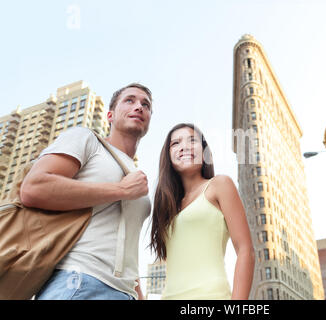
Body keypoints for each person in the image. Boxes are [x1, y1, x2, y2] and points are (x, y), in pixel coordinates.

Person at [20, 83, 153, 300]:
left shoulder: (137, 175)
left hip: (125, 293)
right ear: (110, 115)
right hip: (79, 281)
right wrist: (120, 190)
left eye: (145, 104)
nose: (139, 106)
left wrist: (139, 295)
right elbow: (34, 187)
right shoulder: (87, 139)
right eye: (130, 100)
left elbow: (125, 244)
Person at [151, 123, 255, 300]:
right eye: (175, 143)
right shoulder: (167, 208)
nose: (184, 146)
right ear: (167, 156)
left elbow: (246, 250)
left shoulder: (220, 185)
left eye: (192, 141)